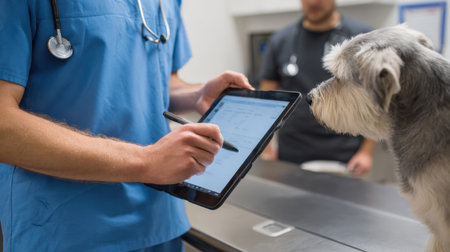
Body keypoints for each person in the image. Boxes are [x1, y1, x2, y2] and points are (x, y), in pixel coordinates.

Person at [0, 1, 252, 251]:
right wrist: (147, 161)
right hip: (67, 229)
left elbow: (156, 79)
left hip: (159, 222)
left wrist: (196, 95)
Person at [259, 0, 376, 175]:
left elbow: (377, 99)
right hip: (291, 153)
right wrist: (266, 146)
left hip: (345, 154)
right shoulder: (280, 40)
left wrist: (366, 152)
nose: (313, 2)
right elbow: (267, 98)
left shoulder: (362, 38)